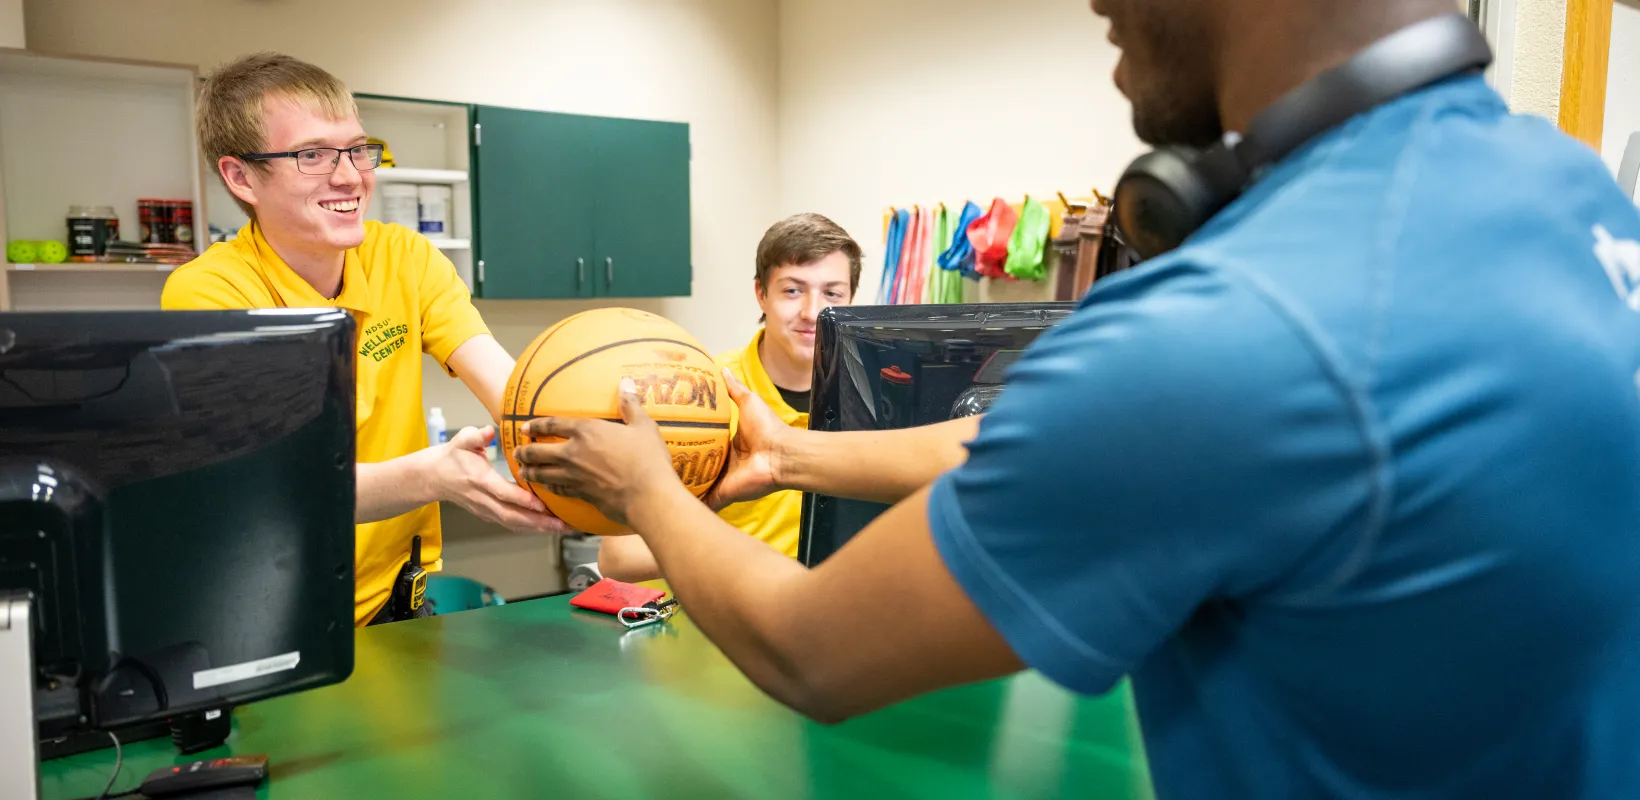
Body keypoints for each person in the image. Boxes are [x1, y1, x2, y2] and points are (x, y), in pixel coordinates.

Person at [515, 1, 1640, 796]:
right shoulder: (1570, 190)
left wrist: (646, 487)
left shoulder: (1227, 324)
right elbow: (1022, 446)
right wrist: (788, 453)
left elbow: (812, 649)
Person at [163, 53, 568, 627]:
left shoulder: (405, 258)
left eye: (357, 148)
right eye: (312, 155)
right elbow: (268, 491)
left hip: (396, 602)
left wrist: (594, 449)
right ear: (240, 176)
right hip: (270, 615)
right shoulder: (209, 293)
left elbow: (514, 394)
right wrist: (436, 475)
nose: (352, 175)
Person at [597, 213, 862, 581]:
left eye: (832, 293)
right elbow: (620, 557)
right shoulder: (697, 396)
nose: (812, 312)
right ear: (761, 294)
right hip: (718, 617)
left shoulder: (873, 398)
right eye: (792, 290)